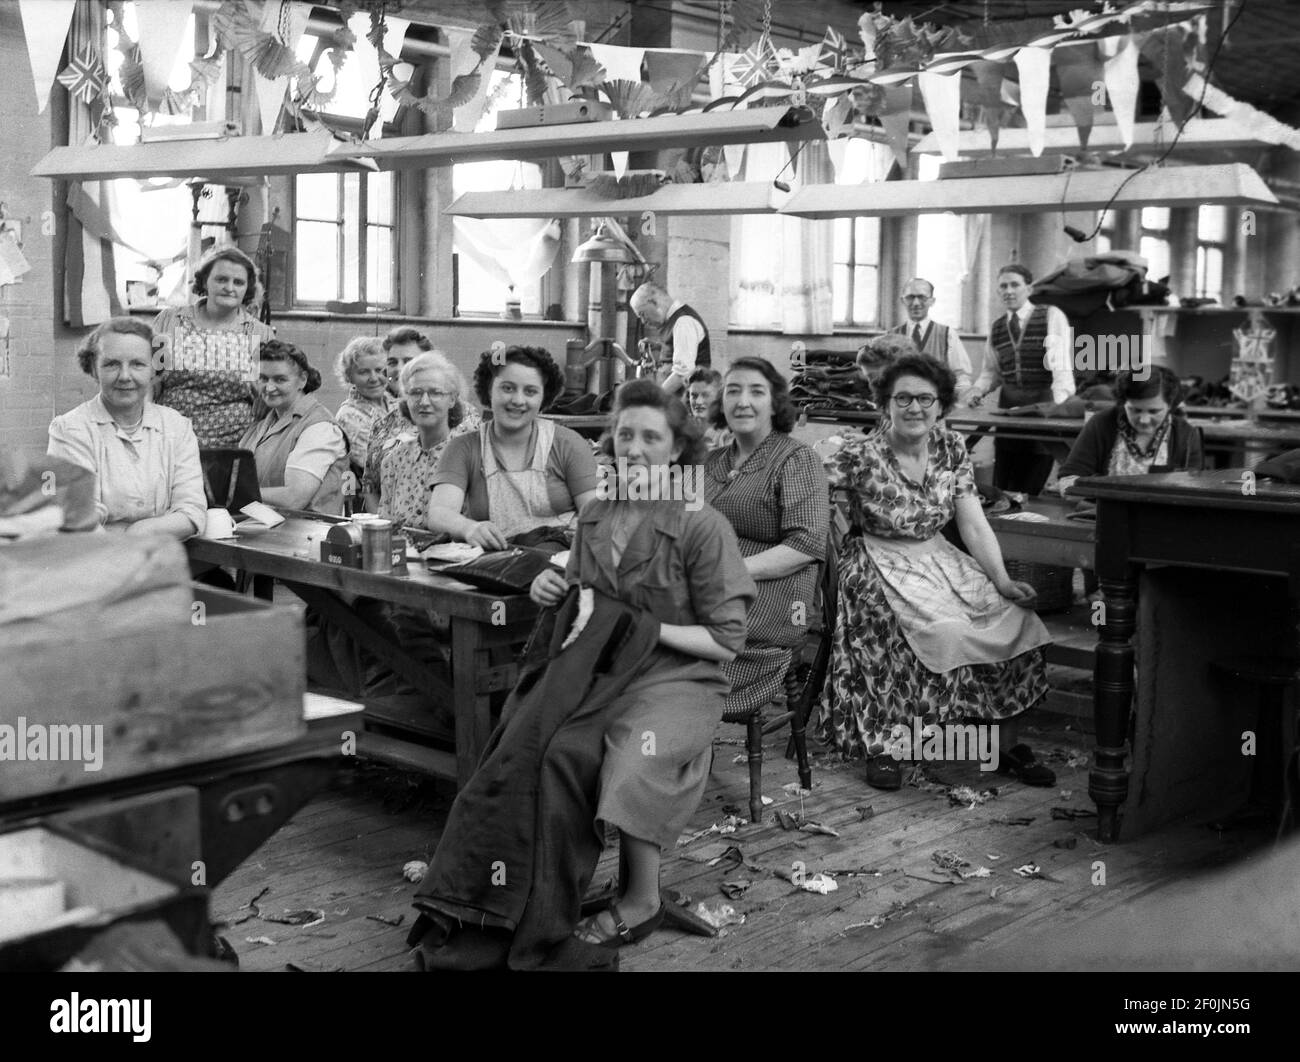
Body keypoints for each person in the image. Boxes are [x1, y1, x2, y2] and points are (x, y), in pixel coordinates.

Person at [408, 380, 755, 968]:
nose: (635, 449)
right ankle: (532, 896)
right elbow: (584, 600)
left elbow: (725, 640)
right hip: (604, 671)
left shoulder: (701, 524)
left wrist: (640, 626)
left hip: (680, 680)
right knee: (550, 748)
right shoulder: (597, 512)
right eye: (625, 435)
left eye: (652, 437)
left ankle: (643, 899)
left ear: (676, 449)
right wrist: (554, 587)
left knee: (632, 753)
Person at [818, 354, 1056, 790]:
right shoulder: (857, 453)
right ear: (884, 404)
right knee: (940, 630)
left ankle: (1002, 744)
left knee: (1018, 618)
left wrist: (1002, 580)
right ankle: (888, 746)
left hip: (939, 557)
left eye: (925, 399)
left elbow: (972, 522)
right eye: (903, 398)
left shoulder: (951, 448)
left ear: (941, 404)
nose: (914, 408)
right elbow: (804, 487)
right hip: (876, 556)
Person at [704, 357, 828, 717]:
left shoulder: (797, 459)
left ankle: (678, 734)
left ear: (775, 404)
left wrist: (729, 570)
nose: (743, 401)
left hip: (776, 593)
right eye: (733, 391)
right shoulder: (708, 462)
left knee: (670, 637)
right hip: (714, 585)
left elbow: (805, 545)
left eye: (756, 391)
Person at [47, 317, 205, 539]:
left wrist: (142, 531)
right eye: (111, 364)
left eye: (138, 364)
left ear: (154, 370)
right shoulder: (70, 430)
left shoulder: (177, 427)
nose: (124, 376)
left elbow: (192, 511)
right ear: (93, 369)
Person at [426, 345, 599, 547]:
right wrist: (469, 528)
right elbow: (439, 514)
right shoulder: (463, 448)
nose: (518, 400)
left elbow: (595, 515)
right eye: (507, 388)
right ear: (489, 390)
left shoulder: (568, 444)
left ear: (544, 397)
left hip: (558, 565)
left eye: (530, 391)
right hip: (491, 564)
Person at [967, 264, 1076, 494]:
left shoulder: (1051, 315)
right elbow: (991, 372)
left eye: (1015, 284)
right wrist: (976, 390)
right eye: (1003, 286)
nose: (1009, 290)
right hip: (1007, 413)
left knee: (1031, 488)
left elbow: (1061, 369)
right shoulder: (997, 327)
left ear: (1029, 287)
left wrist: (1057, 410)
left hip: (1041, 411)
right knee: (1003, 489)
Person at [152, 246, 276, 448]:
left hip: (236, 444)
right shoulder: (170, 321)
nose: (229, 287)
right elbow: (152, 380)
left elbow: (265, 393)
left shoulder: (259, 333)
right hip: (170, 440)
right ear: (204, 281)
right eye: (221, 279)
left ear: (248, 289)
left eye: (238, 282)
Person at [238, 339, 348, 515]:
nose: (269, 387)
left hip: (307, 535)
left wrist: (234, 494)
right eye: (263, 379)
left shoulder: (320, 428)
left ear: (302, 380)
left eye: (280, 379)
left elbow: (294, 497)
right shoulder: (264, 419)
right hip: (263, 529)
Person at [1056, 365, 1204, 494]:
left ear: (1170, 405)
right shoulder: (1101, 424)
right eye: (1135, 410)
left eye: (1154, 411)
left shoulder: (1186, 435)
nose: (1144, 420)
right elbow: (1069, 479)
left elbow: (1191, 489)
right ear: (1122, 403)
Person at [375, 351, 477, 528]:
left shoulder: (470, 457)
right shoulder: (393, 460)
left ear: (452, 399)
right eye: (415, 393)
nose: (424, 401)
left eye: (435, 393)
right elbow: (386, 525)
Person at [361, 327, 438, 511]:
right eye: (392, 362)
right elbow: (369, 484)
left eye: (409, 361)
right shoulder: (382, 424)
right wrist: (383, 528)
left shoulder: (460, 417)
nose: (400, 368)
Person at [889, 277, 974, 395]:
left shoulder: (947, 334)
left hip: (937, 405)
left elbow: (962, 376)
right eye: (910, 297)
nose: (916, 303)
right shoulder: (891, 336)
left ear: (932, 301)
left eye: (922, 297)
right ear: (903, 300)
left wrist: (954, 400)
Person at [630, 281, 710, 397]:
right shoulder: (674, 320)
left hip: (685, 400)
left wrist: (656, 399)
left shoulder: (683, 322)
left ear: (653, 302)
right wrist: (659, 346)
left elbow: (683, 372)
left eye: (642, 314)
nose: (643, 321)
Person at [333, 336, 396, 478]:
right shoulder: (349, 416)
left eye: (380, 370)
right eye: (364, 372)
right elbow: (379, 465)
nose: (374, 378)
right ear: (349, 376)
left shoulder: (393, 402)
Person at [685, 367, 730, 449]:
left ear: (720, 398)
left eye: (705, 395)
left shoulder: (727, 437)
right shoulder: (684, 430)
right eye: (694, 396)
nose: (698, 402)